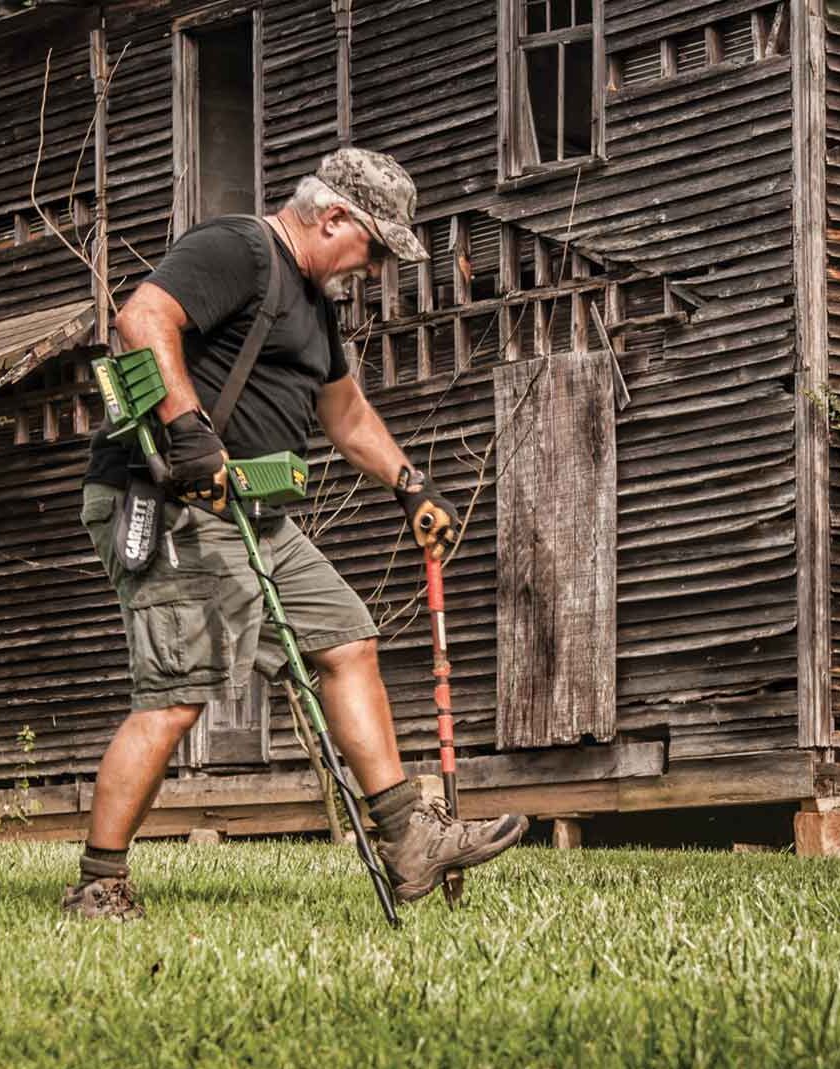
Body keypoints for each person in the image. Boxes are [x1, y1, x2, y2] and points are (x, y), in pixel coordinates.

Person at [62, 148, 527, 920]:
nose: (373, 268)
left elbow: (343, 414)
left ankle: (408, 840)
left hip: (252, 511)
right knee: (179, 695)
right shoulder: (238, 249)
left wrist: (411, 485)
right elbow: (142, 318)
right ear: (334, 216)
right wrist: (187, 431)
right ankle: (100, 883)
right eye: (374, 248)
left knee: (346, 640)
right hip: (170, 500)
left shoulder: (313, 304)